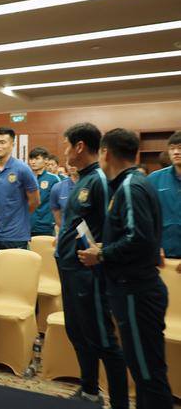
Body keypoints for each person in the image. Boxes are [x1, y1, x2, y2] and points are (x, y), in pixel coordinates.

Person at [79, 128, 173, 409]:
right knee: (145, 371)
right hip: (135, 289)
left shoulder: (131, 187)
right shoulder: (134, 183)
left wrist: (101, 253)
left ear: (105, 153)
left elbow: (139, 239)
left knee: (148, 373)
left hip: (136, 291)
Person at [57, 123, 128, 408]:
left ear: (80, 146)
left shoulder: (98, 179)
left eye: (66, 145)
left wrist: (100, 253)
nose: (64, 151)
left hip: (88, 273)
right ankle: (89, 390)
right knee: (77, 332)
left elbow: (112, 226)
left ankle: (119, 402)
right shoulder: (82, 179)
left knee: (102, 339)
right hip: (70, 270)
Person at [0, 127, 39, 303]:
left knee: (17, 283)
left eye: (2, 142)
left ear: (12, 145)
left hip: (15, 235)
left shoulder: (22, 169)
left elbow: (35, 201)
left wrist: (17, 217)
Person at [148, 131, 181, 263]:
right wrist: (153, 246)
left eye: (180, 148)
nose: (176, 152)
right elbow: (145, 216)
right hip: (163, 255)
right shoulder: (154, 179)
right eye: (172, 148)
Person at [28, 147, 60, 236]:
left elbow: (59, 204)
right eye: (31, 159)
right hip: (26, 226)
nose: (33, 162)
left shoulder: (53, 179)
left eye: (37, 159)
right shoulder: (26, 177)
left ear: (46, 160)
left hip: (45, 227)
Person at [50, 163, 79, 234]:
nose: (71, 164)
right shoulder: (57, 187)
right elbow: (57, 216)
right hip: (67, 233)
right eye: (68, 162)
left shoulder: (92, 183)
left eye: (74, 161)